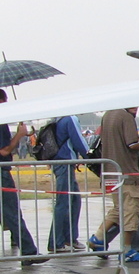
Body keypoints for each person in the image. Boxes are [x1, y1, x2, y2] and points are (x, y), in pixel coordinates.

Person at [88, 105, 139, 261]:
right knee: (131, 213)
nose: (136, 108)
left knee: (118, 209)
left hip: (110, 172)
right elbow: (132, 144)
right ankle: (128, 251)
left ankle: (99, 237)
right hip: (127, 173)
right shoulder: (126, 117)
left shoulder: (108, 115)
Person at [0, 95, 44, 265]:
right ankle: (28, 251)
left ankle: (27, 249)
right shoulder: (1, 120)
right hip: (1, 172)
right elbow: (4, 151)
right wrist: (19, 135)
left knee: (10, 213)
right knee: (12, 213)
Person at [45, 114, 90, 252]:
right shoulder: (70, 119)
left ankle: (69, 238)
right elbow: (78, 140)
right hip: (65, 162)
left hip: (61, 162)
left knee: (74, 200)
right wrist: (89, 155)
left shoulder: (57, 119)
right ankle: (56, 242)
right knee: (63, 202)